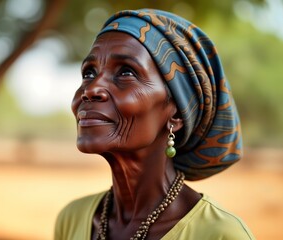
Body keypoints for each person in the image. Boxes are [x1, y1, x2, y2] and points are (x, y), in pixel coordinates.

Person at [55, 9, 255, 240]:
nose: (90, 89)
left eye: (126, 72)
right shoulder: (72, 219)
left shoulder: (219, 234)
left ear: (177, 114)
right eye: (89, 73)